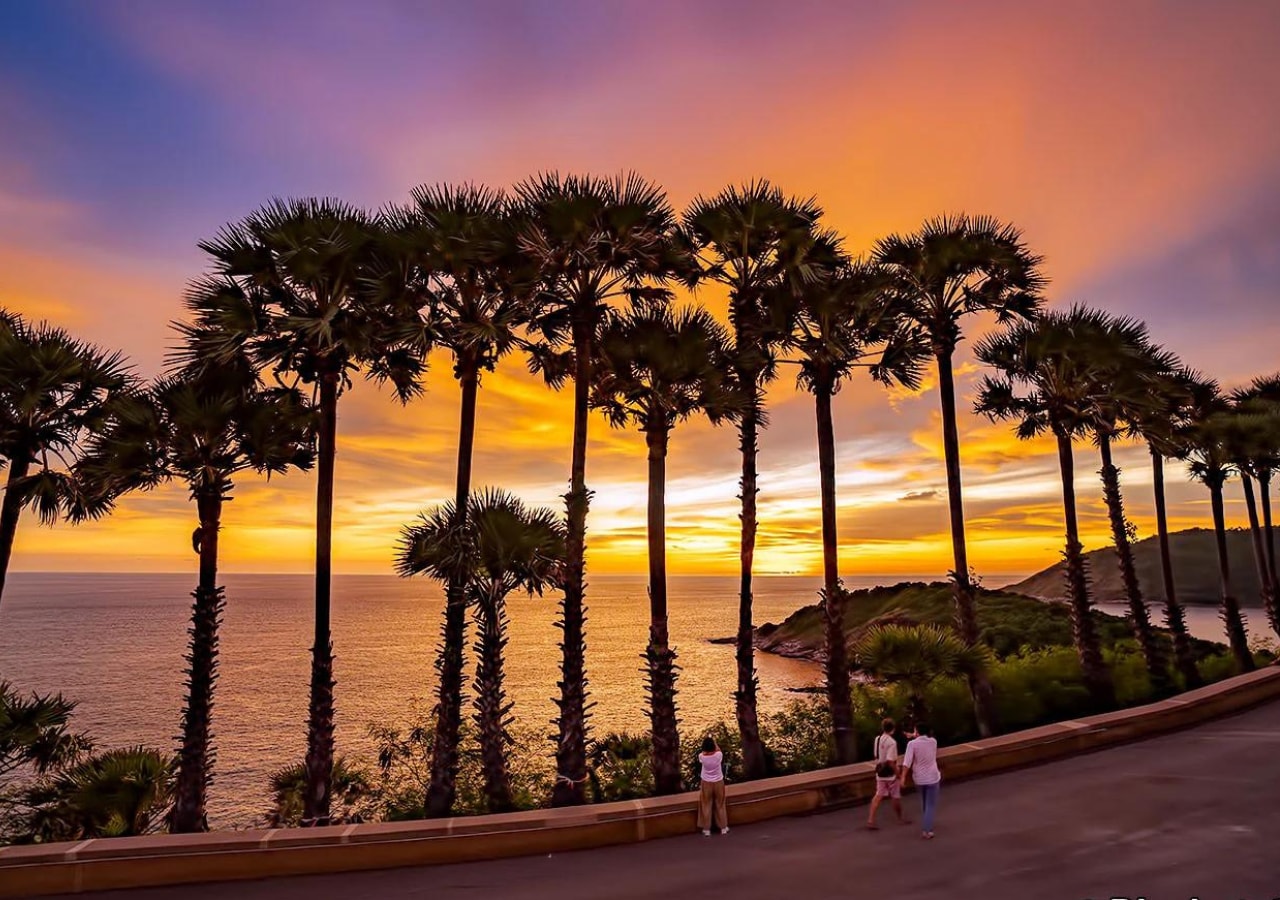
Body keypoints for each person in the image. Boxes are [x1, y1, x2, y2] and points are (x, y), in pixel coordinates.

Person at [899, 721, 941, 839]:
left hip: (919, 778)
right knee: (930, 804)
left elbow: (907, 763)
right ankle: (927, 829)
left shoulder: (912, 745)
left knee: (924, 802)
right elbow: (925, 738)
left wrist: (902, 778)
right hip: (933, 777)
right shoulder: (933, 742)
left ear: (917, 731)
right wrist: (914, 735)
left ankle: (927, 822)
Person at [866, 717, 909, 829]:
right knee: (895, 796)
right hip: (890, 774)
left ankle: (871, 819)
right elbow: (890, 761)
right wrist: (898, 773)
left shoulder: (877, 739)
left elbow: (876, 755)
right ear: (893, 729)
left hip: (880, 772)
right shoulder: (892, 742)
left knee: (878, 795)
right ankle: (900, 819)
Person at [697, 736, 729, 836]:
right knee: (720, 804)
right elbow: (718, 749)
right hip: (718, 782)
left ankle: (707, 829)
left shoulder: (701, 757)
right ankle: (723, 827)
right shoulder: (719, 755)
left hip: (706, 782)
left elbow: (703, 753)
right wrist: (714, 741)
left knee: (706, 804)